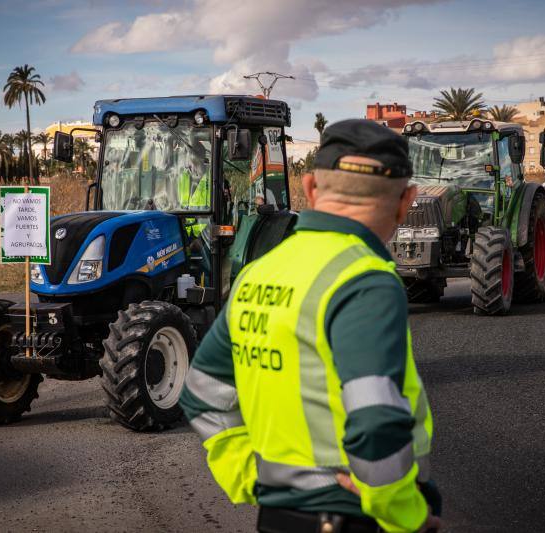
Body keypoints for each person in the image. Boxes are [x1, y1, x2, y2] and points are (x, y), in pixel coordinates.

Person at [180, 119, 441, 533]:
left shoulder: (257, 274)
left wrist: (252, 475)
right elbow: (374, 418)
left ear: (313, 189)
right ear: (407, 200)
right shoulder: (365, 279)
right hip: (355, 520)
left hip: (278, 517)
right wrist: (405, 514)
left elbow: (201, 393)